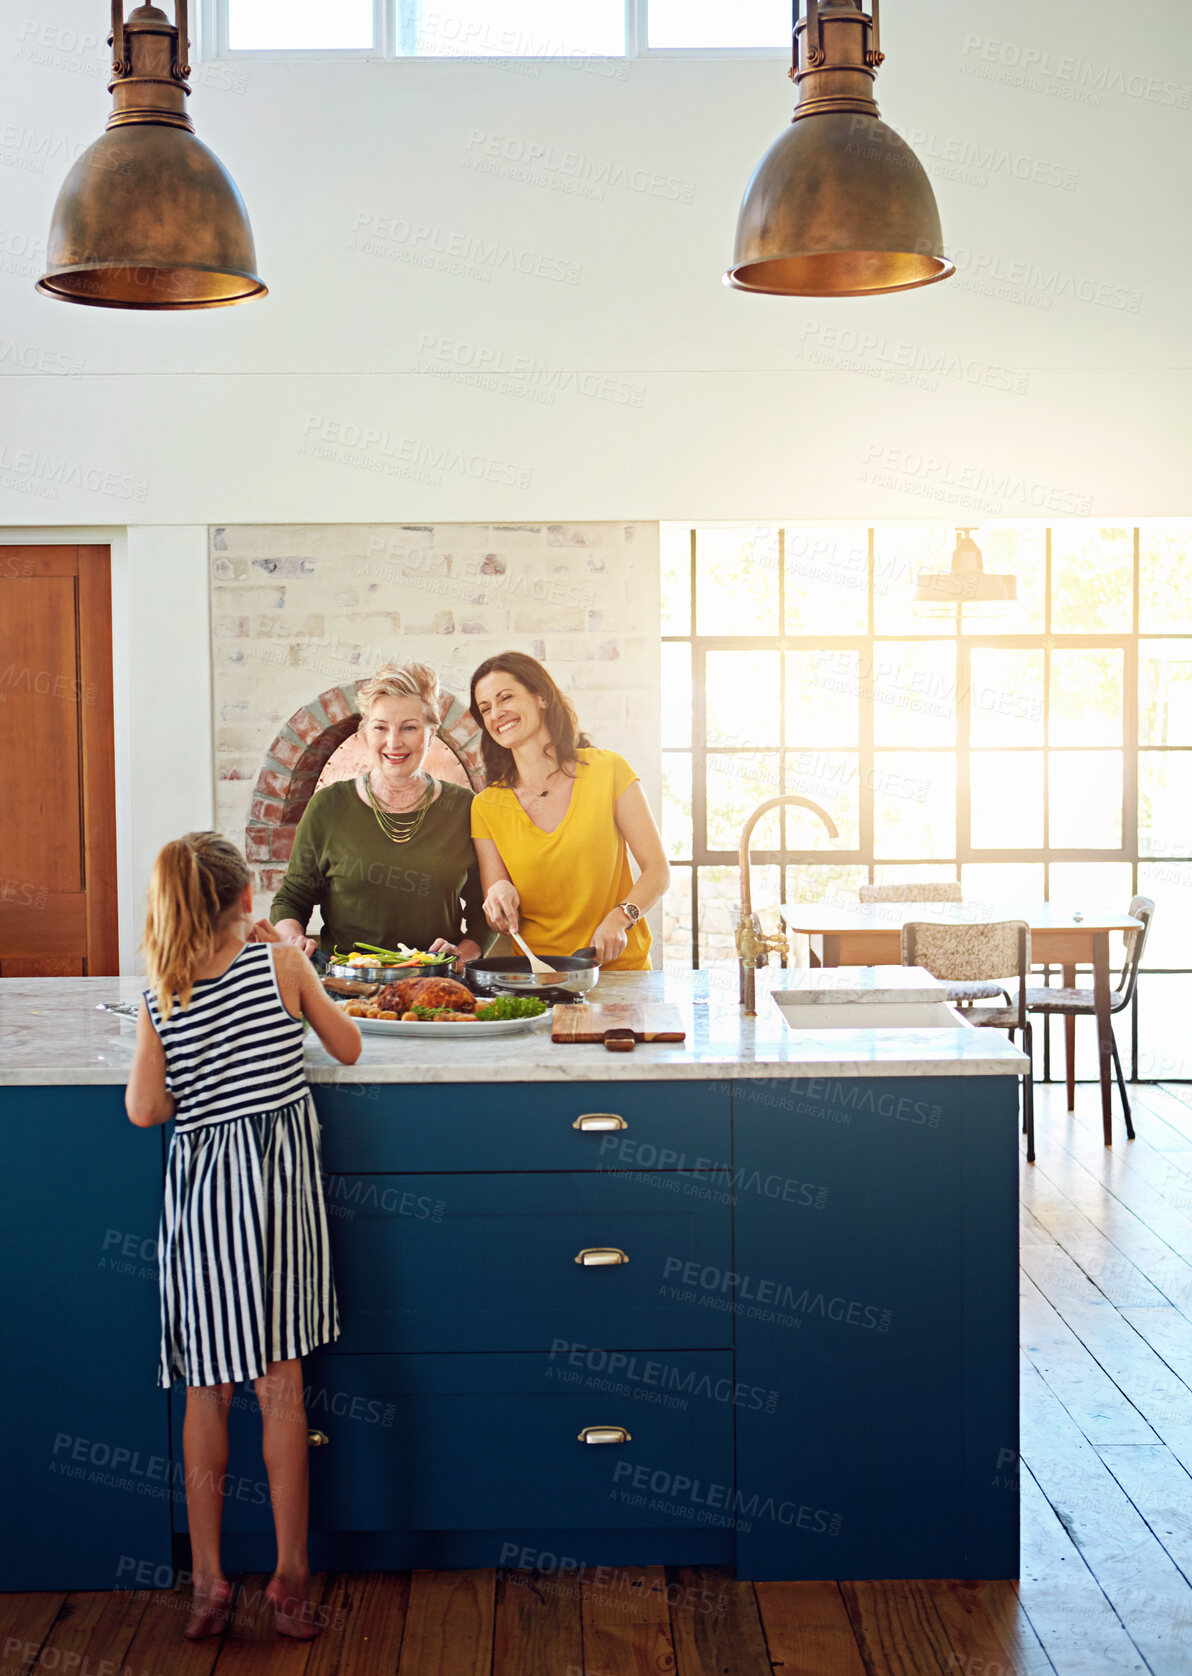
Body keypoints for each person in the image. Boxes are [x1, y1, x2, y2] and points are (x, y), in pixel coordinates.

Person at [125, 831, 361, 1641]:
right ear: (247, 901)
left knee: (206, 1394)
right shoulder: (282, 967)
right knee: (281, 1390)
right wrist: (302, 971)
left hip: (202, 1217)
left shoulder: (164, 991)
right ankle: (290, 1574)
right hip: (279, 1205)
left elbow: (145, 1110)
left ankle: (206, 1581)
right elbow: (348, 1045)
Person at [270, 661, 488, 969]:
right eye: (380, 727)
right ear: (365, 732)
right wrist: (292, 939)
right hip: (345, 987)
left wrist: (462, 955)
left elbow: (484, 913)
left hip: (435, 988)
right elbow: (291, 899)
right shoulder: (328, 807)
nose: (394, 742)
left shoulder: (465, 808)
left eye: (409, 728)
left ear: (431, 733)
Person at [468, 652, 670, 970]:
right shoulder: (486, 806)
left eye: (505, 697)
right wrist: (498, 895)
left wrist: (622, 917)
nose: (496, 713)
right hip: (540, 976)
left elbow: (657, 869)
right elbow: (498, 918)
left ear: (542, 697)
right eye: (485, 708)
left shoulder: (609, 771)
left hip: (620, 973)